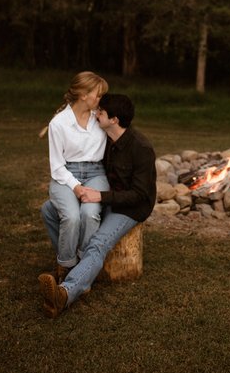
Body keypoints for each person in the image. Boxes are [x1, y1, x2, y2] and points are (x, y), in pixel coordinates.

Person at [39, 93, 156, 318]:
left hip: (129, 208)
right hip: (105, 197)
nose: (96, 114)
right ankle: (73, 265)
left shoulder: (141, 148)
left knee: (98, 243)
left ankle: (65, 292)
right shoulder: (107, 140)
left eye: (100, 112)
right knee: (48, 210)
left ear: (114, 119)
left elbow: (140, 195)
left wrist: (101, 198)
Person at [40, 71, 109, 282]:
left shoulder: (100, 117)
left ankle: (84, 266)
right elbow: (57, 167)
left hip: (96, 173)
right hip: (65, 175)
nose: (100, 99)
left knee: (89, 214)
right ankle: (66, 266)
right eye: (98, 95)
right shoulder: (59, 124)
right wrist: (76, 187)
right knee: (71, 217)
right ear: (83, 94)